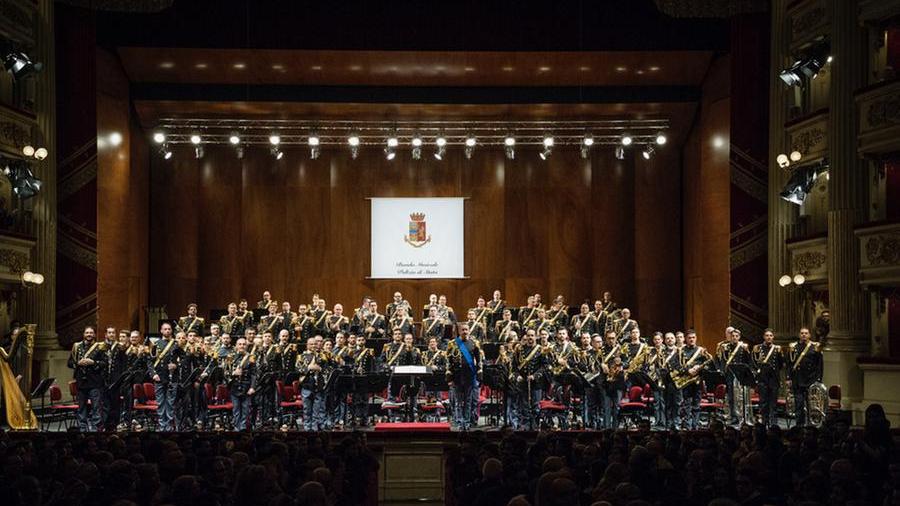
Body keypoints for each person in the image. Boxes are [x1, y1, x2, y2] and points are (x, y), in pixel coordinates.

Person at [67, 326, 108, 432]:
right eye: (87, 333)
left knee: (96, 408)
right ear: (84, 334)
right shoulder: (77, 346)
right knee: (81, 409)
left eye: (91, 333)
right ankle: (82, 430)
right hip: (81, 382)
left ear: (94, 334)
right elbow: (70, 363)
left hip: (95, 382)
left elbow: (105, 363)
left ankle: (95, 431)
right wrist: (77, 363)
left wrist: (93, 362)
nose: (89, 334)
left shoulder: (100, 347)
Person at [445, 322, 483, 430]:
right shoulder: (452, 344)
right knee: (457, 401)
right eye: (463, 330)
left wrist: (479, 374)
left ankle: (466, 421)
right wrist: (449, 377)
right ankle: (459, 421)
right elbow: (448, 361)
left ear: (469, 330)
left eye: (466, 330)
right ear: (459, 331)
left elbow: (479, 361)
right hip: (457, 376)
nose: (465, 332)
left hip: (469, 376)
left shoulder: (474, 343)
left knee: (468, 401)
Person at [148, 323, 183, 432]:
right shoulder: (155, 344)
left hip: (172, 377)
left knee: (170, 403)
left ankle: (168, 427)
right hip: (159, 377)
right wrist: (153, 374)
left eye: (169, 329)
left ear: (171, 331)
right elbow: (150, 361)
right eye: (165, 329)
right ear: (161, 331)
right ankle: (162, 426)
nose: (167, 331)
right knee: (160, 403)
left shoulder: (176, 344)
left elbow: (184, 359)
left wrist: (177, 365)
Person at [510, 329, 547, 430]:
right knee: (524, 405)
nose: (530, 338)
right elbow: (514, 366)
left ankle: (535, 425)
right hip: (523, 382)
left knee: (536, 406)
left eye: (532, 335)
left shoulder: (541, 350)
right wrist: (517, 375)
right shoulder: (520, 350)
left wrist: (535, 376)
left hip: (536, 382)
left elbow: (544, 367)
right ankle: (525, 426)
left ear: (536, 337)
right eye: (528, 335)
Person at [787, 326, 823, 426]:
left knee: (811, 404)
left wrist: (818, 379)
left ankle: (811, 424)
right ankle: (799, 425)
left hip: (810, 379)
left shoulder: (814, 347)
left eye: (806, 333)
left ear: (809, 335)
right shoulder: (794, 347)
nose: (804, 335)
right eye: (802, 333)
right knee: (799, 404)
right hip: (797, 379)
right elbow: (790, 364)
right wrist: (788, 377)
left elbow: (819, 364)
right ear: (799, 335)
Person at [677, 330, 712, 430]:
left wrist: (700, 368)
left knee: (696, 404)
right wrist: (688, 370)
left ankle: (695, 426)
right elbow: (678, 365)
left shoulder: (701, 351)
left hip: (697, 381)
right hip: (686, 380)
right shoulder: (681, 351)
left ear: (696, 338)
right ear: (686, 339)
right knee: (687, 404)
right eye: (689, 338)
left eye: (693, 337)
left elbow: (709, 364)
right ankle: (688, 427)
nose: (691, 339)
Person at [752, 328, 783, 427]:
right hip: (762, 379)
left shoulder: (777, 349)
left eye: (770, 335)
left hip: (774, 379)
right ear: (764, 337)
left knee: (773, 404)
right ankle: (764, 423)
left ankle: (774, 424)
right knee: (763, 403)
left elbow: (781, 364)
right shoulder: (758, 348)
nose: (769, 337)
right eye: (767, 335)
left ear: (773, 337)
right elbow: (753, 362)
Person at [229, 337, 257, 431]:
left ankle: (243, 428)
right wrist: (233, 373)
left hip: (246, 386)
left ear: (246, 346)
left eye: (244, 344)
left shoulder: (251, 357)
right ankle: (237, 427)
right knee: (236, 409)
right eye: (240, 344)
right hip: (234, 386)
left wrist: (252, 387)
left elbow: (254, 374)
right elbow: (225, 371)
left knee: (245, 409)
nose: (242, 346)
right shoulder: (231, 356)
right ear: (236, 346)